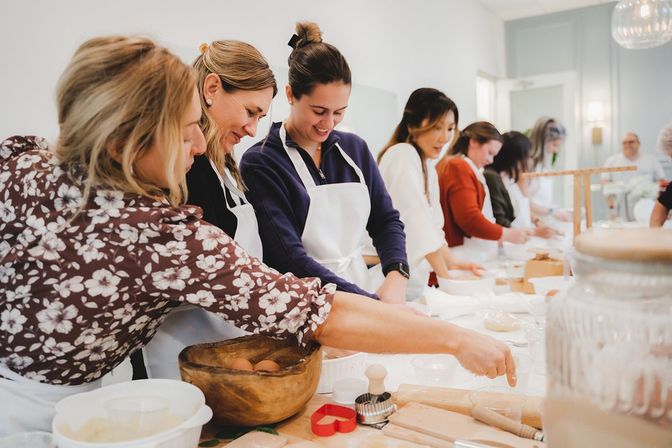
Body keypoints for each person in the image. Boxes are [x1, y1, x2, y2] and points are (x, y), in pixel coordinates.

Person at [0, 35, 515, 435]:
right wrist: (452, 338)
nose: (200, 144)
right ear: (121, 143)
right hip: (54, 415)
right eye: (183, 132)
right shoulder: (155, 236)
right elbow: (309, 306)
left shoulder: (19, 157)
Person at [240, 22, 408, 303]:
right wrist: (367, 304)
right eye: (319, 111)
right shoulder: (262, 162)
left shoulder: (354, 149)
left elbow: (386, 220)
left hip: (362, 290)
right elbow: (287, 257)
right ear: (291, 94)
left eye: (339, 112)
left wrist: (396, 275)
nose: (328, 124)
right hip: (307, 301)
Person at [142, 40, 277, 379]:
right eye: (250, 112)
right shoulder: (185, 170)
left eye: (260, 117)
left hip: (227, 346)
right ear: (212, 88)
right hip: (180, 356)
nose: (252, 130)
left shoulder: (225, 169)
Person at [375, 88, 481, 299]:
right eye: (437, 127)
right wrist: (446, 276)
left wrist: (452, 263)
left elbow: (431, 226)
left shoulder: (426, 164)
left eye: (450, 128)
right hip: (382, 275)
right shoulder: (401, 155)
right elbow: (415, 222)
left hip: (409, 278)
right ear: (412, 124)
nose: (444, 137)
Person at [436, 122, 531, 263]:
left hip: (470, 254)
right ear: (473, 141)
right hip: (460, 255)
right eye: (490, 153)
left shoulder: (464, 167)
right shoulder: (458, 166)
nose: (490, 160)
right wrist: (506, 234)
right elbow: (469, 219)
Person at [485, 131, 562, 239]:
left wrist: (537, 222)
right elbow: (501, 222)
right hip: (511, 243)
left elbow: (523, 208)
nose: (530, 161)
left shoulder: (512, 178)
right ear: (516, 158)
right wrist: (535, 232)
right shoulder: (495, 180)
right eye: (528, 156)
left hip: (523, 239)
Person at [601, 132, 666, 221]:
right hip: (621, 208)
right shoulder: (612, 161)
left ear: (638, 143)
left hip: (647, 206)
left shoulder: (651, 160)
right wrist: (612, 207)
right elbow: (605, 183)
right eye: (624, 143)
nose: (628, 145)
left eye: (631, 142)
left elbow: (661, 182)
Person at [527, 117, 569, 219]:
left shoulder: (543, 166)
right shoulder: (530, 166)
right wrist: (553, 212)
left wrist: (554, 211)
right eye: (554, 145)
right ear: (542, 142)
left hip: (544, 223)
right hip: (532, 225)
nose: (555, 151)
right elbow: (525, 202)